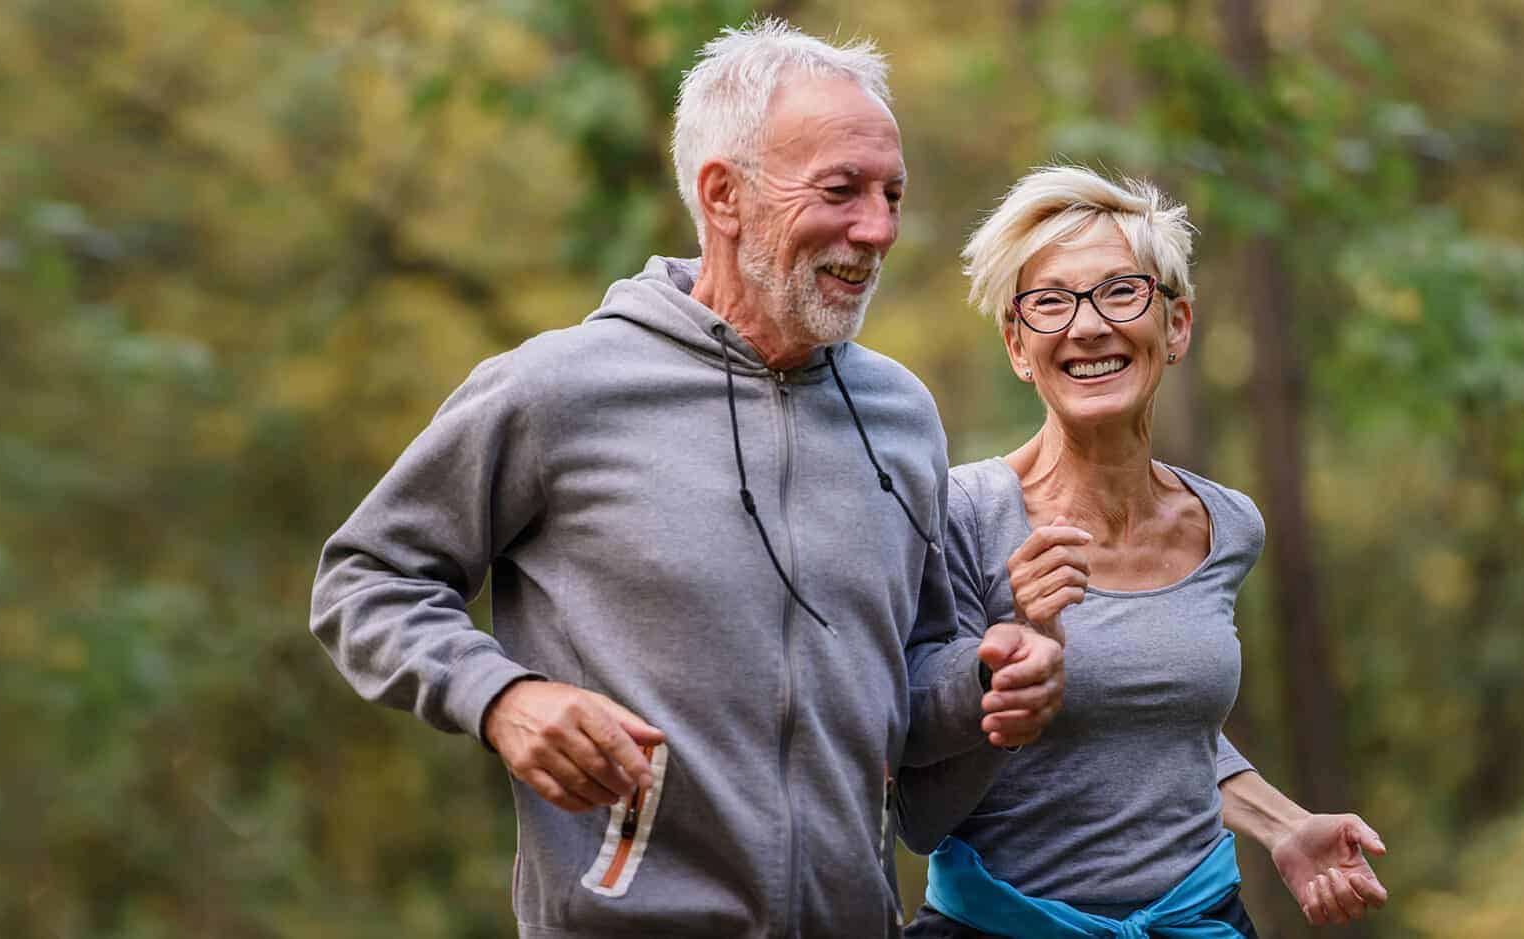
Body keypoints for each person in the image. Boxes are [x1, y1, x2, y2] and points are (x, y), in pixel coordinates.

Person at [309, 21, 1064, 937]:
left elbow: (903, 693)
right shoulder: (560, 389)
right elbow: (366, 579)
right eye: (841, 191)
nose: (877, 229)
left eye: (892, 193)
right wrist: (501, 696)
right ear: (724, 194)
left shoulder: (902, 415)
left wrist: (985, 679)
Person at [894, 166, 1390, 937]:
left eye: (1120, 292)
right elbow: (920, 812)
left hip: (1201, 920)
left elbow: (1161, 725)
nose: (1088, 326)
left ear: (1178, 324)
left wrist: (1284, 824)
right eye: (1051, 302)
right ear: (1018, 346)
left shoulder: (1227, 525)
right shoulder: (958, 514)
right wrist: (1026, 650)